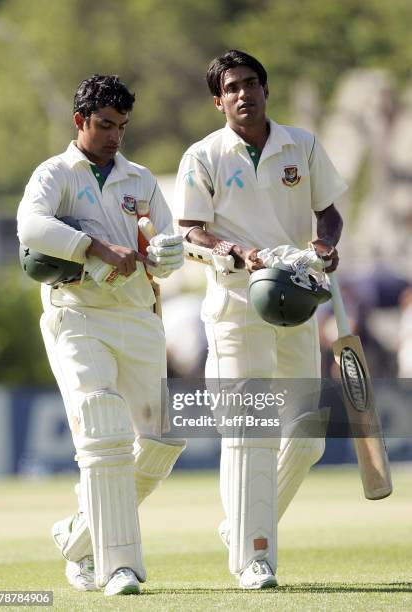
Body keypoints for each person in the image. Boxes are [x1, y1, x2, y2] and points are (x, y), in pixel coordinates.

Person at [174, 50, 346, 589]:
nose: (244, 94)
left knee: (308, 436)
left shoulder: (304, 144)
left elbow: (330, 210)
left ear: (266, 89)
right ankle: (255, 556)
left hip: (295, 296)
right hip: (235, 303)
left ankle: (242, 525)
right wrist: (237, 251)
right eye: (232, 87)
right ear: (218, 99)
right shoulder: (203, 155)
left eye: (252, 83)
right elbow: (190, 230)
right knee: (251, 429)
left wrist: (325, 243)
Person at [17, 74, 186, 596]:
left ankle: (77, 539)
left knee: (160, 444)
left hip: (137, 317)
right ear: (81, 121)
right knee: (105, 434)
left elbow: (170, 244)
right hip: (78, 316)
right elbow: (31, 228)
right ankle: (121, 568)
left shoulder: (139, 179)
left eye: (122, 127)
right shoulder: (55, 173)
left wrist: (165, 254)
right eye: (106, 125)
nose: (115, 136)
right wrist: (96, 247)